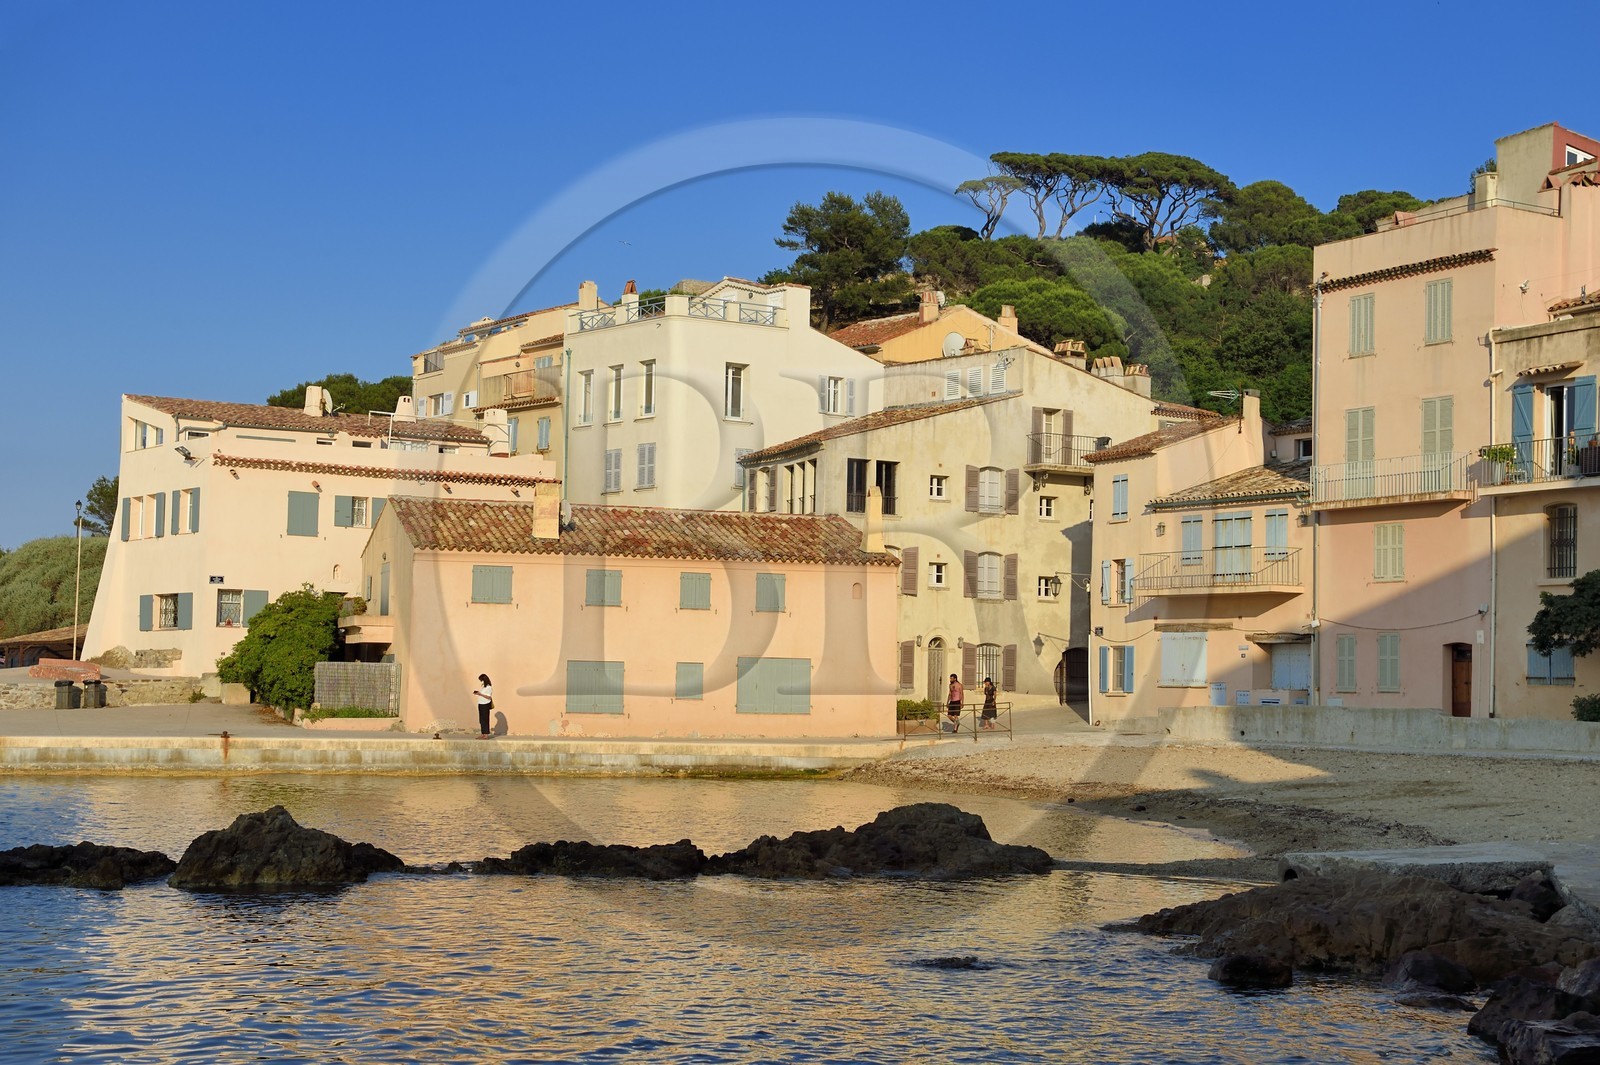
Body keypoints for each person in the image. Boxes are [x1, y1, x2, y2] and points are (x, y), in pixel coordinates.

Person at [473, 674, 494, 738]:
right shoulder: (483, 687)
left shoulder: (489, 687)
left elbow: (489, 697)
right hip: (480, 704)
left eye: (481, 680)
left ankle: (486, 734)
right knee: (481, 720)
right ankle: (483, 733)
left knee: (485, 719)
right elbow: (482, 694)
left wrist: (480, 694)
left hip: (485, 704)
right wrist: (477, 693)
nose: (481, 681)